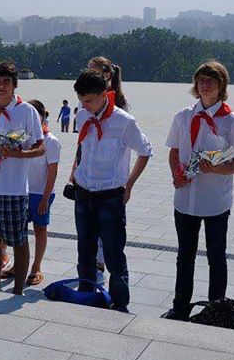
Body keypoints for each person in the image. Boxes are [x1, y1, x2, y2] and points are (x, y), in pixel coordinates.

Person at [162, 61, 234, 321]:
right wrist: (175, 173)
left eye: (211, 80)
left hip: (215, 202)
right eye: (201, 80)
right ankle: (180, 307)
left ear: (221, 86)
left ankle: (216, 310)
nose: (205, 84)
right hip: (185, 200)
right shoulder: (183, 116)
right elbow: (175, 151)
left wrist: (215, 170)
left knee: (216, 257)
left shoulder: (232, 122)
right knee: (184, 257)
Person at [70, 69, 152, 312]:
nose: (84, 106)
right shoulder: (84, 116)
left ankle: (120, 303)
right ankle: (85, 296)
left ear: (104, 94)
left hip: (109, 197)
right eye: (81, 100)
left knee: (114, 255)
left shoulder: (124, 122)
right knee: (85, 250)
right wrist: (75, 175)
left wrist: (129, 184)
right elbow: (83, 148)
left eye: (89, 100)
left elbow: (146, 151)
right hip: (83, 194)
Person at [0, 62, 44, 295]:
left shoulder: (26, 111)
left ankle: (17, 290)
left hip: (14, 188)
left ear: (14, 85)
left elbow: (41, 147)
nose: (1, 86)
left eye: (6, 82)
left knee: (19, 240)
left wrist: (19, 153)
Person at [87, 56, 129, 283]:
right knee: (90, 227)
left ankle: (102, 268)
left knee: (107, 231)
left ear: (107, 75)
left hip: (108, 177)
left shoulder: (116, 104)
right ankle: (93, 267)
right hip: (89, 174)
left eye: (94, 72)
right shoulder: (88, 102)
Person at [26, 99, 61, 286]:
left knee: (40, 229)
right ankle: (19, 264)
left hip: (41, 192)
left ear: (42, 116)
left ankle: (36, 266)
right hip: (23, 191)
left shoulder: (51, 141)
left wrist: (45, 198)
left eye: (35, 115)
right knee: (19, 231)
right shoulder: (24, 137)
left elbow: (53, 172)